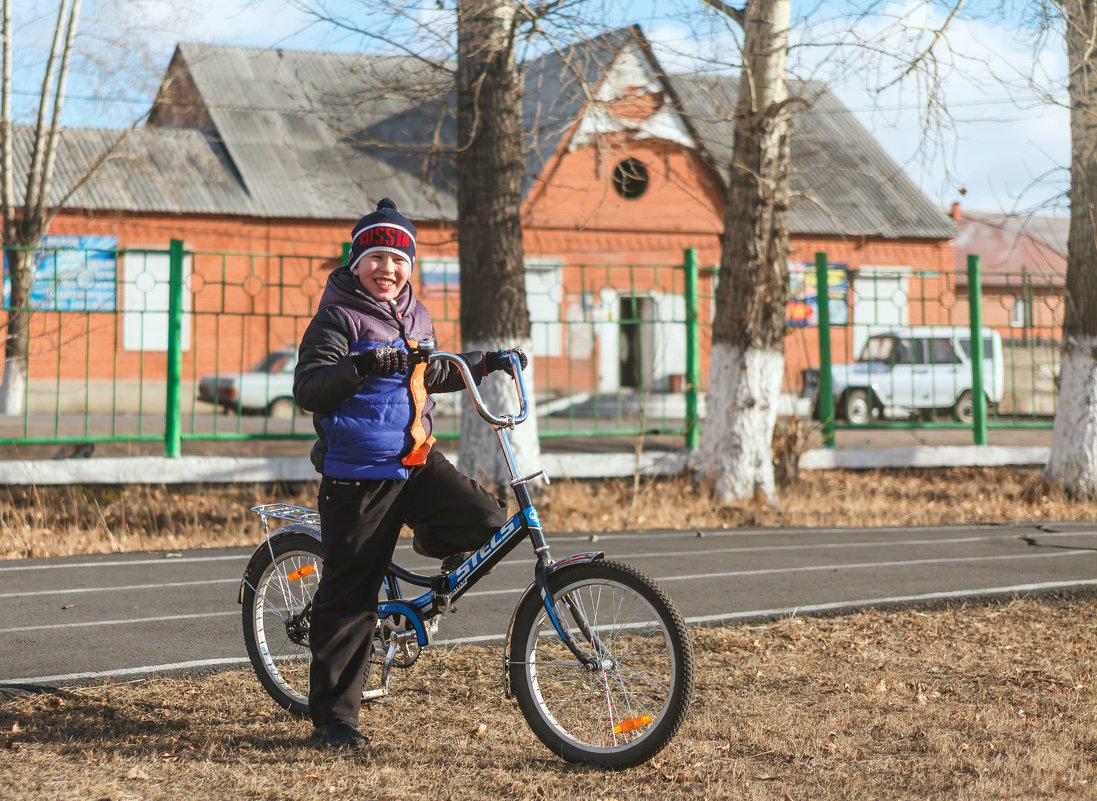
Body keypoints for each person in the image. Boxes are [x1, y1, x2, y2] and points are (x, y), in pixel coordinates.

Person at [293, 197, 526, 750]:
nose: (388, 270)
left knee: (488, 520)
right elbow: (310, 388)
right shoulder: (338, 317)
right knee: (352, 597)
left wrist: (486, 363)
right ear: (357, 263)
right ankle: (333, 720)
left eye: (399, 261)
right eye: (376, 257)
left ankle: (420, 539)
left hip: (415, 460)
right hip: (358, 473)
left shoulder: (415, 313)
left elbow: (429, 371)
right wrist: (362, 364)